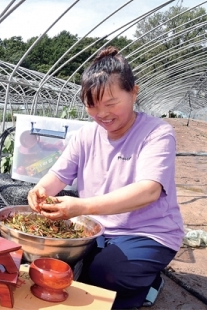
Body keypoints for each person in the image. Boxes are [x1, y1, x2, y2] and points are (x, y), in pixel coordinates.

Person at [27, 46, 184, 309]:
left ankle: (147, 283)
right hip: (95, 228)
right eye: (92, 105)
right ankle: (105, 266)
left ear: (134, 92)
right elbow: (58, 175)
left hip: (147, 232)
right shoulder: (86, 136)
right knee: (52, 262)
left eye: (111, 103)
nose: (102, 114)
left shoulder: (157, 133)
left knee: (106, 274)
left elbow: (149, 191)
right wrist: (40, 189)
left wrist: (82, 206)